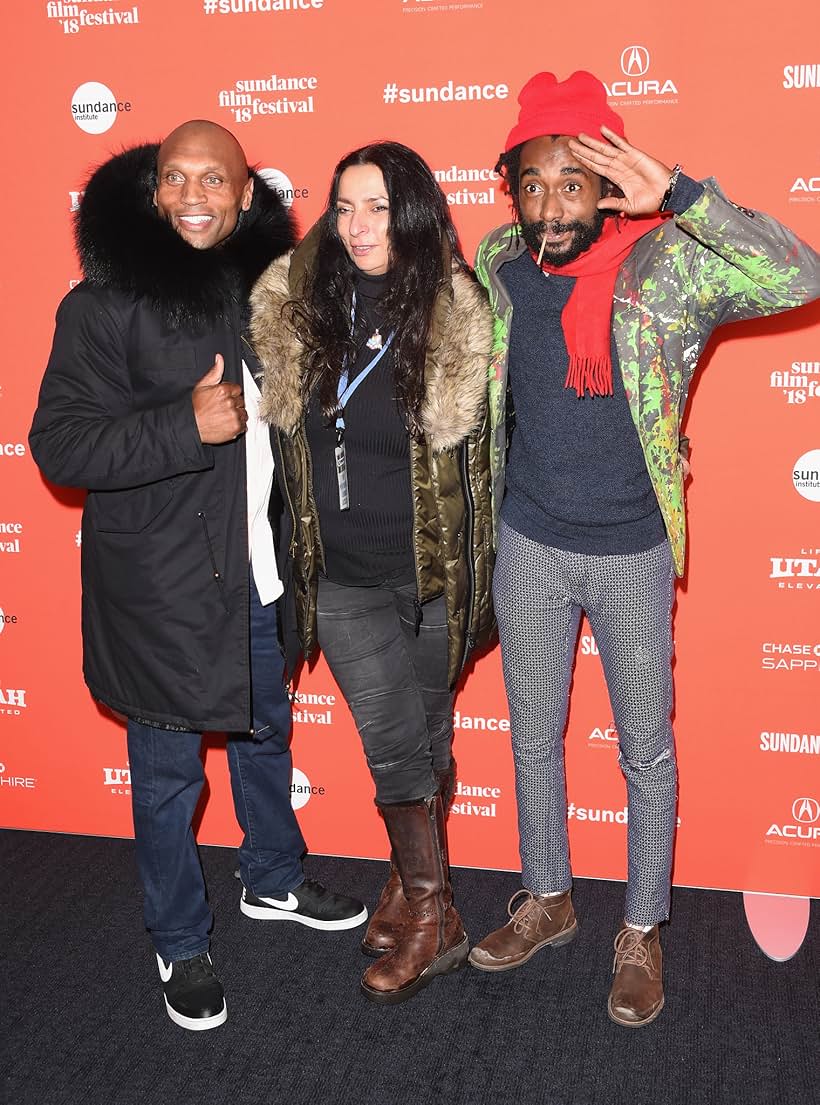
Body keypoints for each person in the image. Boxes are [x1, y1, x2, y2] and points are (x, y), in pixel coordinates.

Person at [468, 71, 820, 1027]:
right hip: (528, 539)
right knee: (533, 735)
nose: (549, 205)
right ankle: (548, 897)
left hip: (630, 548)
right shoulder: (500, 258)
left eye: (571, 184)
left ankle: (642, 926)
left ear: (606, 184)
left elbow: (802, 274)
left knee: (645, 749)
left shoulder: (669, 263)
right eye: (532, 183)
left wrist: (682, 194)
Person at [29, 120, 366, 1032]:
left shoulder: (269, 297)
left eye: (212, 181)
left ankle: (273, 879)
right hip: (162, 594)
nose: (192, 196)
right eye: (174, 178)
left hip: (258, 572)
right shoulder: (101, 305)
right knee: (169, 776)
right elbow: (56, 444)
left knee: (264, 734)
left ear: (244, 195)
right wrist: (182, 424)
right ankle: (179, 938)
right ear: (152, 191)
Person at [249, 141, 495, 1004]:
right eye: (346, 206)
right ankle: (436, 917)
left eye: (379, 207)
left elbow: (497, 451)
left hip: (433, 570)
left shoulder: (457, 311)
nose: (358, 226)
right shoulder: (297, 309)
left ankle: (406, 885)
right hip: (345, 575)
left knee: (429, 738)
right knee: (394, 744)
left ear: (415, 211)